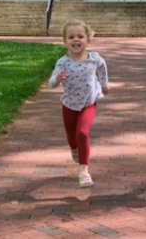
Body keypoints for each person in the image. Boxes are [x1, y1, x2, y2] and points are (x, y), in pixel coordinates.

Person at [49, 19, 109, 188]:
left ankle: (84, 172)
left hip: (88, 103)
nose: (76, 39)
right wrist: (57, 79)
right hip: (69, 105)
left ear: (88, 40)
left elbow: (102, 67)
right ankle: (74, 149)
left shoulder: (94, 58)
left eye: (80, 36)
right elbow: (51, 83)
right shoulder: (62, 62)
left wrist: (104, 84)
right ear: (65, 41)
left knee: (82, 133)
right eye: (71, 37)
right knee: (72, 137)